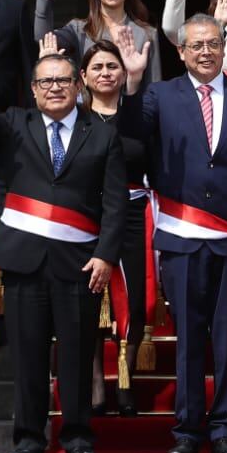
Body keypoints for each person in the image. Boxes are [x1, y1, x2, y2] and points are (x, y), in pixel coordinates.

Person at [0, 34, 126, 453]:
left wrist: (105, 253)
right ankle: (28, 437)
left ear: (78, 85)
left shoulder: (101, 135)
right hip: (26, 259)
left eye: (63, 80)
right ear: (33, 89)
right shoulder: (14, 124)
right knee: (27, 351)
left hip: (80, 263)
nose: (55, 88)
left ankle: (78, 434)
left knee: (78, 353)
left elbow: (116, 202)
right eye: (45, 82)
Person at [118, 14, 227, 453]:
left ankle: (226, 427)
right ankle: (187, 430)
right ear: (181, 51)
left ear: (224, 46)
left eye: (213, 43)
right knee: (190, 337)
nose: (205, 51)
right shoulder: (159, 95)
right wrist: (131, 81)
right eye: (196, 45)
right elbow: (130, 134)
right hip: (181, 236)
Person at [73, 36, 148, 417]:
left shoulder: (139, 113)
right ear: (83, 76)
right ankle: (97, 380)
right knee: (91, 301)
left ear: (124, 73)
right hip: (89, 218)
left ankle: (126, 378)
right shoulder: (75, 118)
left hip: (135, 215)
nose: (105, 73)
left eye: (112, 66)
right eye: (97, 67)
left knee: (135, 300)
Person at [28, 0, 162, 87]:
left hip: (133, 108)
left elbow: (154, 87)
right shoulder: (79, 30)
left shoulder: (146, 33)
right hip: (88, 108)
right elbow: (44, 39)